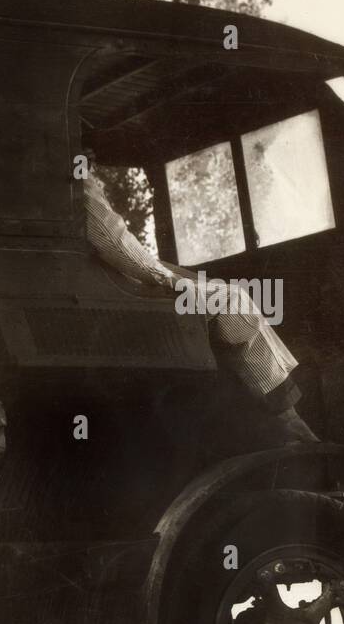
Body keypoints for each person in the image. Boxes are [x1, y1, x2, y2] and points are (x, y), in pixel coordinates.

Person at [82, 159, 317, 443]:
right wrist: (167, 278)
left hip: (92, 281)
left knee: (211, 289)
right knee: (232, 300)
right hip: (105, 291)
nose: (89, 151)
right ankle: (288, 417)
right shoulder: (70, 169)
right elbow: (112, 240)